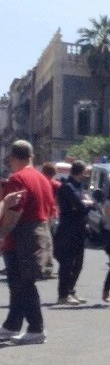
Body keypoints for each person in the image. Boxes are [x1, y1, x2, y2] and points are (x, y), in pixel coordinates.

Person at [0, 140, 56, 344]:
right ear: (32, 156)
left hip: (19, 238)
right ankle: (12, 325)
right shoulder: (43, 179)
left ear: (13, 158)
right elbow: (51, 213)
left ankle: (36, 328)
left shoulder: (18, 178)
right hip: (39, 234)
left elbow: (14, 211)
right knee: (19, 284)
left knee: (22, 285)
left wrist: (2, 234)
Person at [53, 160, 92, 306]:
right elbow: (81, 206)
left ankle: (70, 291)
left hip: (80, 230)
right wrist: (87, 204)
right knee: (67, 264)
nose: (86, 175)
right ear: (80, 172)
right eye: (85, 172)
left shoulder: (78, 186)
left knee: (78, 264)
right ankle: (63, 295)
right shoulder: (68, 186)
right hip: (68, 230)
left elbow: (81, 206)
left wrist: (86, 204)